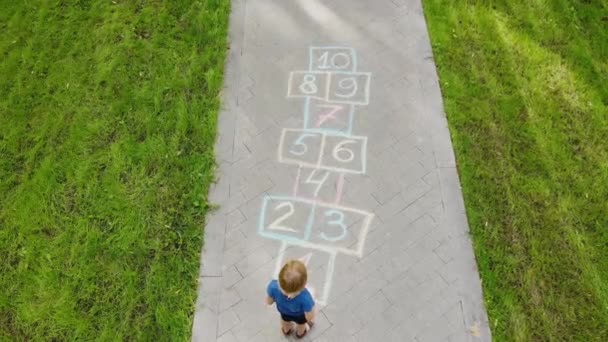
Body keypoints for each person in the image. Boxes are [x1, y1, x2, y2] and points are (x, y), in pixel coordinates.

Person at [266, 259, 315, 338]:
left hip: (283, 312)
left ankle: (286, 330)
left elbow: (269, 302)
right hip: (299, 316)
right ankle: (300, 334)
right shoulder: (305, 297)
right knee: (301, 325)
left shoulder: (273, 286)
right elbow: (309, 316)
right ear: (304, 284)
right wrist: (310, 320)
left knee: (285, 321)